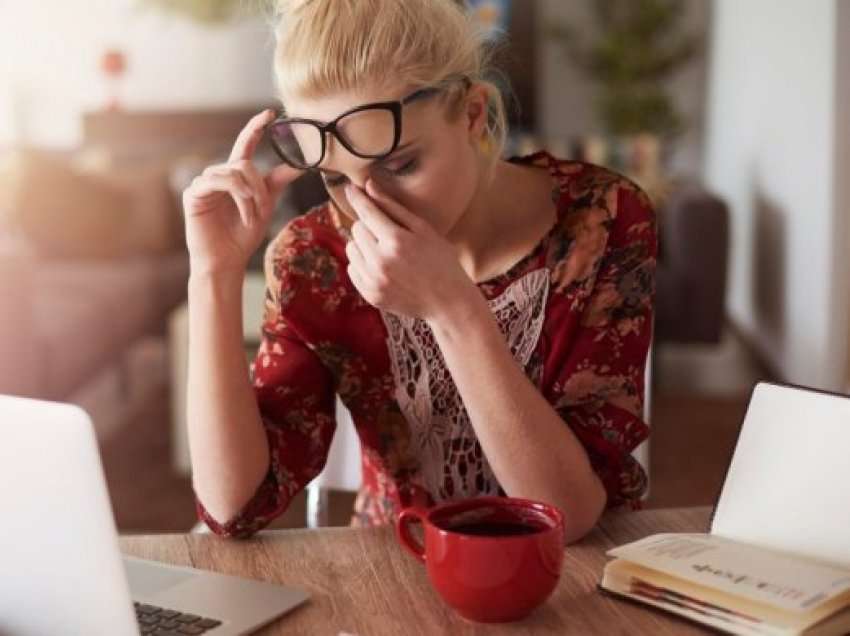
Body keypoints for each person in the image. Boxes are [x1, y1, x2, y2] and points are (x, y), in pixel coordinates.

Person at [183, 0, 656, 544]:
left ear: (474, 113)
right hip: (398, 570)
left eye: (400, 164)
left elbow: (568, 515)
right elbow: (235, 507)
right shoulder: (315, 259)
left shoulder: (601, 219)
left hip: (575, 583)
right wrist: (213, 275)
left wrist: (452, 308)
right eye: (336, 179)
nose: (370, 207)